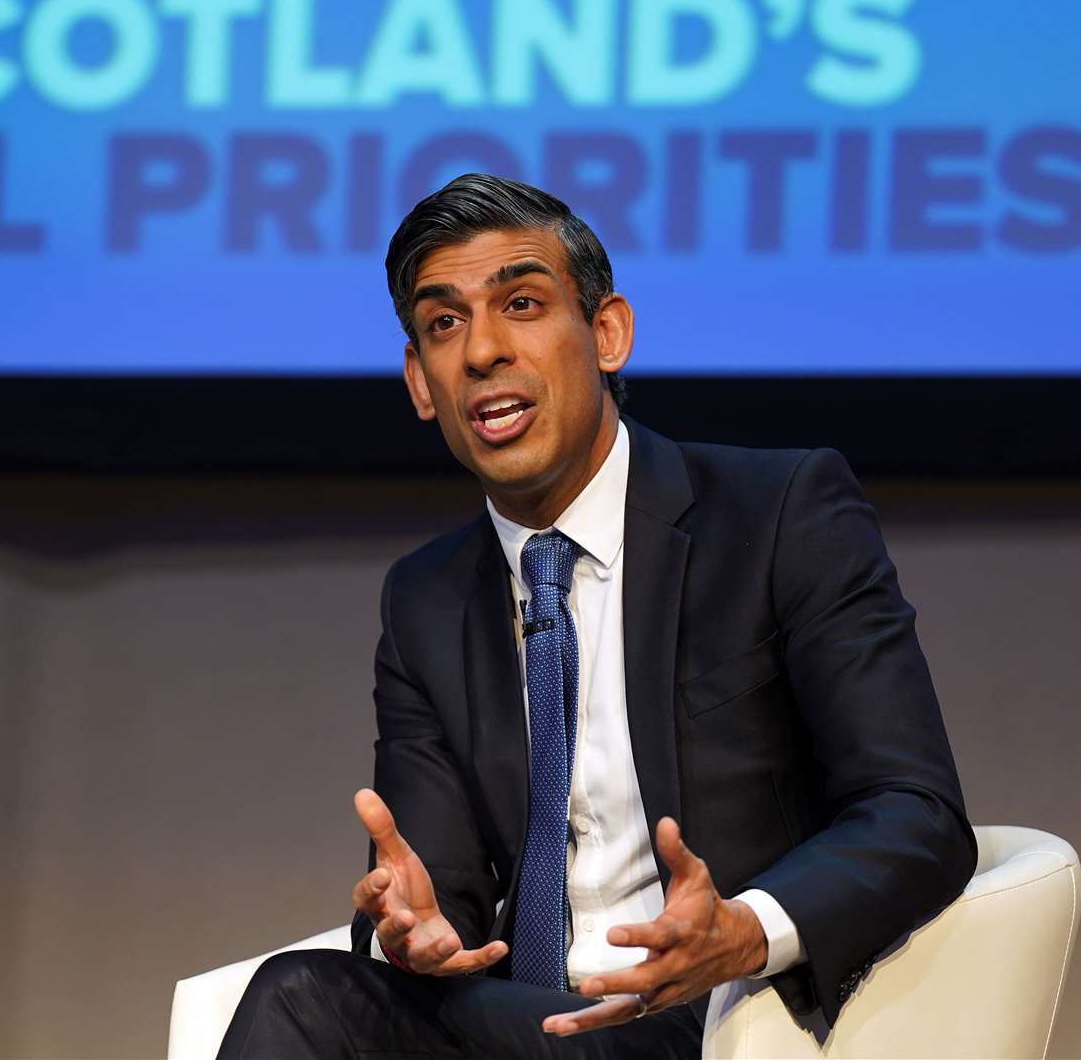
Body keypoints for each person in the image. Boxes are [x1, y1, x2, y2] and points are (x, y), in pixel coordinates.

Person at [216, 174, 975, 1059]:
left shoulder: (775, 516)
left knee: (303, 1004)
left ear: (607, 333)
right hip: (528, 1025)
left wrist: (743, 929)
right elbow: (444, 897)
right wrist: (418, 935)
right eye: (444, 325)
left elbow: (915, 812)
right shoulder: (425, 598)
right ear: (421, 383)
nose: (483, 352)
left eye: (523, 303)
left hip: (713, 1017)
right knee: (312, 995)